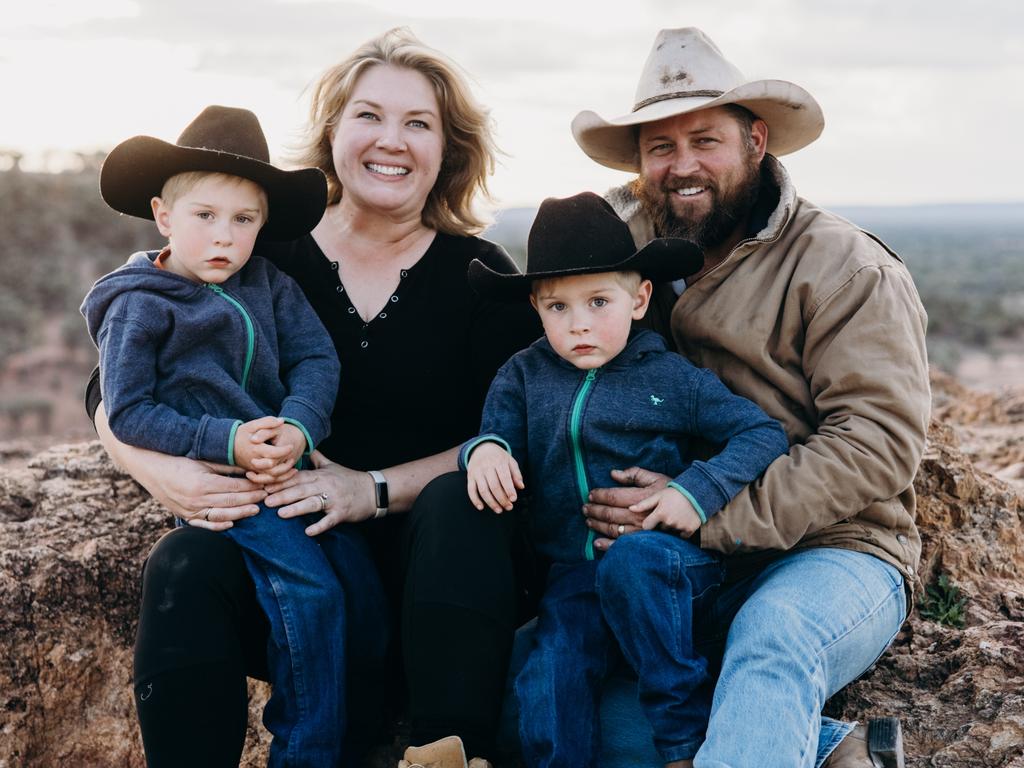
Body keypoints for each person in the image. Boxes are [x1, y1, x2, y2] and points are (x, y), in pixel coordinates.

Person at [85, 28, 541, 768]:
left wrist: (371, 490)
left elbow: (517, 428)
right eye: (368, 115)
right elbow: (117, 378)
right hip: (293, 543)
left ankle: (449, 750)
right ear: (332, 134)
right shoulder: (262, 253)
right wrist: (154, 469)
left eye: (417, 123)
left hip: (443, 580)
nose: (390, 140)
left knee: (464, 505)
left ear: (447, 149)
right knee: (185, 564)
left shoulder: (479, 274)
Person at [568, 27, 929, 768]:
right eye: (660, 148)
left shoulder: (844, 265)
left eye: (706, 140)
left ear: (757, 141)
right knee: (561, 699)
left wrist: (705, 508)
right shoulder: (617, 259)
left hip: (838, 550)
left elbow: (877, 442)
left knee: (772, 638)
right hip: (684, 560)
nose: (682, 165)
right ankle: (837, 750)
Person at [461, 190, 790, 768]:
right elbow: (496, 433)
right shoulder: (525, 374)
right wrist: (484, 452)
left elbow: (763, 434)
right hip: (572, 576)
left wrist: (696, 489)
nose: (579, 325)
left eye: (597, 302)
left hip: (666, 568)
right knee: (549, 674)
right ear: (535, 307)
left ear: (639, 300)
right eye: (557, 307)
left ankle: (682, 748)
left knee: (634, 564)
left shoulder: (672, 377)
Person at [80, 104, 358, 767]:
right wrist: (224, 441)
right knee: (312, 595)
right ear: (163, 215)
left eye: (244, 220)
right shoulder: (139, 305)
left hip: (284, 467)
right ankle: (305, 753)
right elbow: (130, 412)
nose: (224, 238)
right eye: (205, 216)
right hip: (222, 483)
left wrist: (297, 424)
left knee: (358, 582)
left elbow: (317, 360)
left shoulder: (269, 283)